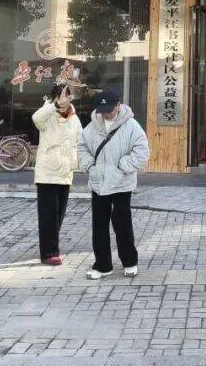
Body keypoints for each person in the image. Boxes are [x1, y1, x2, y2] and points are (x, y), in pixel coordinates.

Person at [78, 90, 150, 279]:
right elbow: (82, 147)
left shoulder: (131, 125)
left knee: (122, 224)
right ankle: (103, 265)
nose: (106, 114)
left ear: (118, 105)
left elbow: (142, 151)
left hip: (121, 182)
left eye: (109, 110)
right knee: (99, 226)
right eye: (102, 110)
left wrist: (123, 167)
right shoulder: (92, 125)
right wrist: (90, 167)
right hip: (99, 182)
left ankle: (130, 262)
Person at [32, 84, 82, 265]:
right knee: (48, 215)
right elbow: (36, 117)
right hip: (48, 172)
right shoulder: (47, 115)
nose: (66, 99)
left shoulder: (74, 118)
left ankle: (49, 244)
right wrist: (54, 106)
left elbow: (80, 141)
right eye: (62, 96)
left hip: (66, 172)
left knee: (59, 213)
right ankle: (49, 253)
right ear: (55, 98)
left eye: (68, 96)